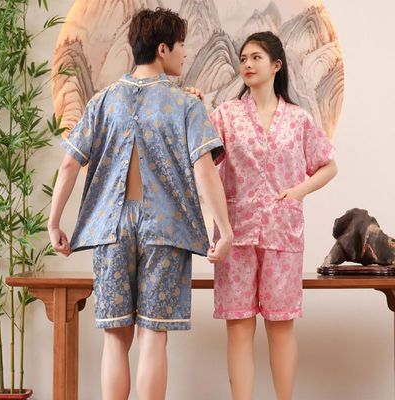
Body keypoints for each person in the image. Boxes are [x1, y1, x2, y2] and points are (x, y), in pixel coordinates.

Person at [47, 8, 233, 400]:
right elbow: (204, 170)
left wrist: (54, 222)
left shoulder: (102, 102)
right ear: (162, 49)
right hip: (165, 230)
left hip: (111, 231)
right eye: (181, 45)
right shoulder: (185, 105)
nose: (185, 53)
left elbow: (69, 164)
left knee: (116, 337)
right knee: (153, 335)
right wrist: (225, 230)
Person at [209, 31, 338, 400]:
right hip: (236, 234)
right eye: (243, 58)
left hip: (283, 233)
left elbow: (328, 166)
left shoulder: (299, 120)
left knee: (281, 327)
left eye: (256, 58)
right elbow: (203, 163)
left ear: (276, 65)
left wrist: (299, 191)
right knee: (238, 327)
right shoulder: (226, 116)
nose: (247, 64)